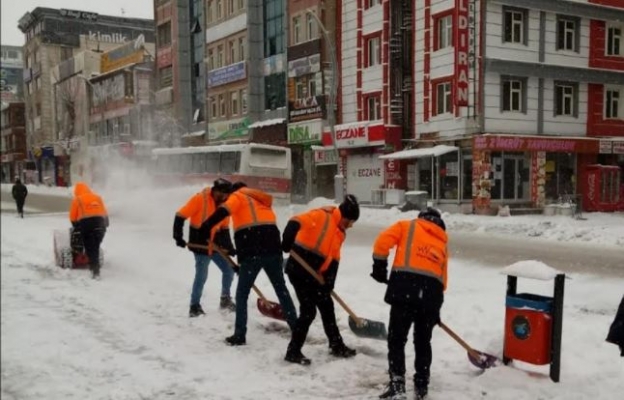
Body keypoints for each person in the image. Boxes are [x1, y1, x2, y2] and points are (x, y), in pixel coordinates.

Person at [200, 181, 297, 346]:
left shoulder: (237, 196)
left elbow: (224, 211)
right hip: (273, 248)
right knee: (281, 289)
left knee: (242, 294)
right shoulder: (260, 201)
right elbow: (259, 224)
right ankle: (296, 328)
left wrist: (206, 226)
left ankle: (239, 335)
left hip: (252, 250)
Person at [371, 208, 448, 400]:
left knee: (397, 339)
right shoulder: (442, 242)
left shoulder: (407, 226)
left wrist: (379, 267)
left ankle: (397, 384)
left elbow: (382, 242)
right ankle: (421, 385)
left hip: (404, 290)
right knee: (423, 341)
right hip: (431, 295)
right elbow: (443, 279)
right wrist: (435, 309)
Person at [281, 195, 361, 365]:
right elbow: (295, 221)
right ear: (344, 216)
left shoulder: (340, 232)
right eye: (350, 221)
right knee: (308, 311)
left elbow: (335, 258)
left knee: (327, 306)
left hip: (316, 274)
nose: (351, 226)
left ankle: (336, 345)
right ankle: (293, 352)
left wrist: (330, 279)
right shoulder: (321, 216)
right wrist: (286, 241)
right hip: (299, 269)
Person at [173, 178, 237, 317]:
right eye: (222, 194)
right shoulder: (199, 199)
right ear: (215, 191)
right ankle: (194, 306)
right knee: (202, 276)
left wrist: (230, 248)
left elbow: (225, 229)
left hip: (215, 246)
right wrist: (178, 236)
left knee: (229, 270)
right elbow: (180, 216)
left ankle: (225, 299)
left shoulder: (225, 205)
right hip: (200, 245)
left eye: (227, 196)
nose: (225, 198)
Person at [69, 182, 109, 279]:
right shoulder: (97, 197)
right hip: (101, 224)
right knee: (95, 246)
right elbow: (105, 212)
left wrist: (76, 226)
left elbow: (73, 217)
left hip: (87, 225)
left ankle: (95, 271)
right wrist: (105, 224)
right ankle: (94, 266)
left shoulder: (77, 199)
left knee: (91, 248)